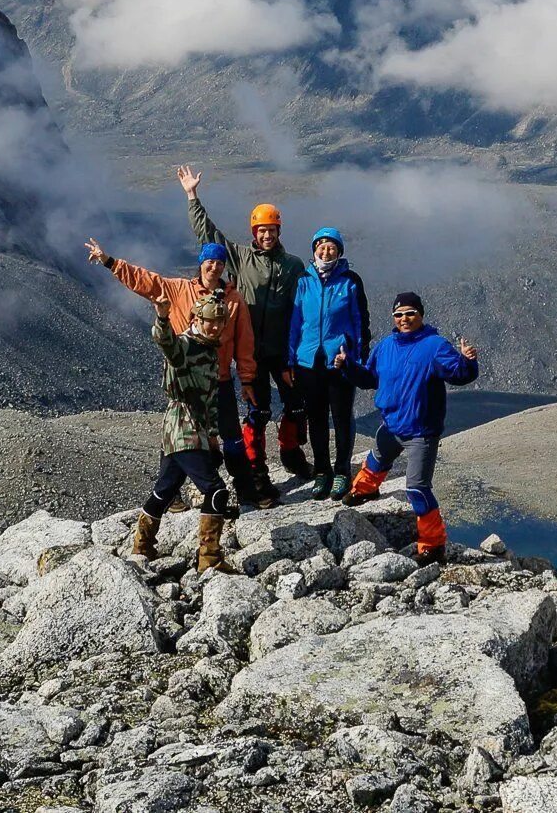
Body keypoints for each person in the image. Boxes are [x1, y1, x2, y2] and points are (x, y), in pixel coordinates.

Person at [85, 237, 276, 508]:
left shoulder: (234, 301)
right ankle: (170, 494)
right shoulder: (178, 290)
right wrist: (109, 262)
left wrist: (247, 379)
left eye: (220, 263)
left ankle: (246, 490)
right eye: (210, 262)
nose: (215, 267)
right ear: (201, 265)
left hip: (218, 380)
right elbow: (145, 280)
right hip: (185, 382)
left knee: (231, 436)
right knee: (179, 437)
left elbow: (244, 344)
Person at [179, 165, 310, 493]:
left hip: (283, 351)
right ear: (254, 232)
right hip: (252, 353)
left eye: (272, 230)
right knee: (259, 411)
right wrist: (193, 196)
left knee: (297, 404)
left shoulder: (294, 265)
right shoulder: (239, 257)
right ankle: (257, 470)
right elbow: (209, 236)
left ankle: (291, 452)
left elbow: (307, 305)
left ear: (279, 232)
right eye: (261, 230)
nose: (267, 235)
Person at [340, 291, 478, 565]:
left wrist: (468, 361)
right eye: (399, 314)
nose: (404, 319)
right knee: (377, 458)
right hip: (392, 424)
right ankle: (365, 489)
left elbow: (459, 375)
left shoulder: (435, 345)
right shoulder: (385, 346)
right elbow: (369, 378)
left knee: (416, 487)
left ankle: (433, 543)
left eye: (410, 313)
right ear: (394, 318)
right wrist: (348, 367)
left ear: (421, 315)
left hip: (421, 432)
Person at [126, 288, 240, 573]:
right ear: (197, 319)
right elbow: (167, 344)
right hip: (184, 428)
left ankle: (142, 546)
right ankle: (210, 559)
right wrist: (163, 317)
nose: (213, 326)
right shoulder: (187, 346)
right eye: (208, 320)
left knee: (165, 490)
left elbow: (210, 401)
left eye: (218, 321)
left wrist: (212, 437)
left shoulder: (210, 352)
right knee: (216, 492)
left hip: (186, 431)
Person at [287, 227, 370, 500]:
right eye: (321, 246)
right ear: (313, 251)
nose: (326, 251)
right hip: (308, 361)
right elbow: (295, 323)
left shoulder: (350, 281)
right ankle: (322, 471)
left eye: (331, 247)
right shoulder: (303, 281)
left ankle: (342, 471)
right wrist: (291, 357)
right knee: (317, 417)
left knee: (342, 416)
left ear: (339, 252)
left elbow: (360, 320)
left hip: (340, 360)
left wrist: (357, 357)